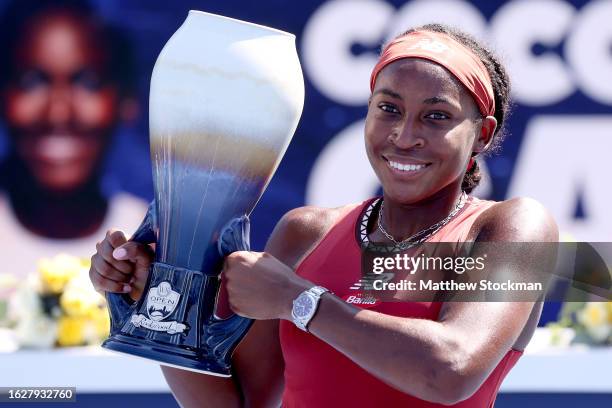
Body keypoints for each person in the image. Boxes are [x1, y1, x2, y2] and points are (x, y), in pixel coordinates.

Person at [90, 24, 558, 407]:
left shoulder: (516, 227)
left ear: (481, 135)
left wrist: (300, 301)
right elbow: (239, 405)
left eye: (436, 116)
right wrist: (160, 299)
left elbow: (449, 372)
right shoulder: (305, 231)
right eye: (388, 109)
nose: (405, 135)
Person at [0, 0, 147, 277]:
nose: (58, 112)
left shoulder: (157, 249)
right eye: (31, 82)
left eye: (88, 82)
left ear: (126, 100)